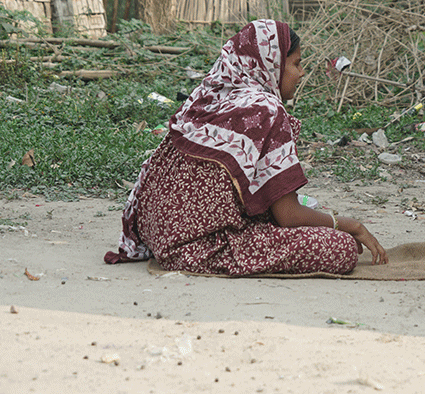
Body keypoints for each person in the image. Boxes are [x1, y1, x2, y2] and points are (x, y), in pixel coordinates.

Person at [104, 19, 387, 275]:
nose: (301, 73)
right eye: (296, 63)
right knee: (339, 248)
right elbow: (288, 216)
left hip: (157, 232)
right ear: (272, 65)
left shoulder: (211, 95)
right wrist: (351, 225)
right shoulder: (266, 110)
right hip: (195, 246)